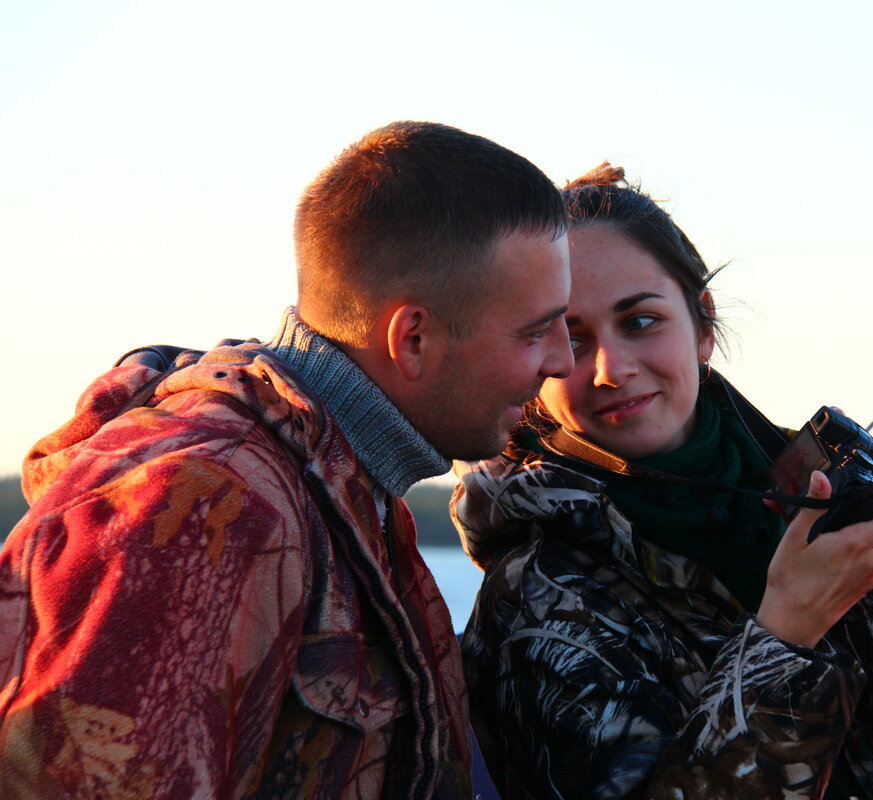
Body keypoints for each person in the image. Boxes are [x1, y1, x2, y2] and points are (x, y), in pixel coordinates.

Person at [0, 121, 573, 800]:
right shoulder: (207, 506)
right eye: (536, 330)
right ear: (412, 338)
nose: (564, 360)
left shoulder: (348, 496)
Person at [452, 164, 873, 800]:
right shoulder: (538, 598)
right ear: (538, 359)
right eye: (572, 336)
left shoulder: (795, 498)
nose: (610, 368)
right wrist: (788, 631)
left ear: (702, 325)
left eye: (641, 321)